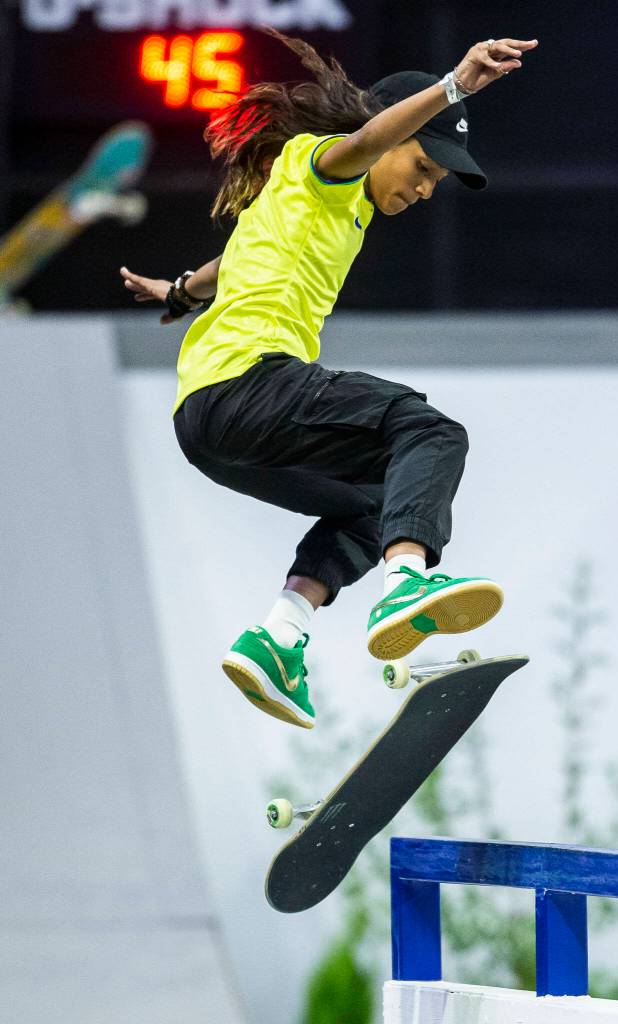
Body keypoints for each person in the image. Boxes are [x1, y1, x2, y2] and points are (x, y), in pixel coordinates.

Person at [120, 29, 539, 730]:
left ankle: (279, 638)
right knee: (430, 432)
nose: (426, 189)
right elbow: (365, 140)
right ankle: (407, 582)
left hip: (207, 425)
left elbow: (237, 257)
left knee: (375, 504)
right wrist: (456, 84)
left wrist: (180, 292)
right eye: (425, 167)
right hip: (250, 385)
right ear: (390, 138)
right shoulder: (322, 163)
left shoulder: (314, 206)